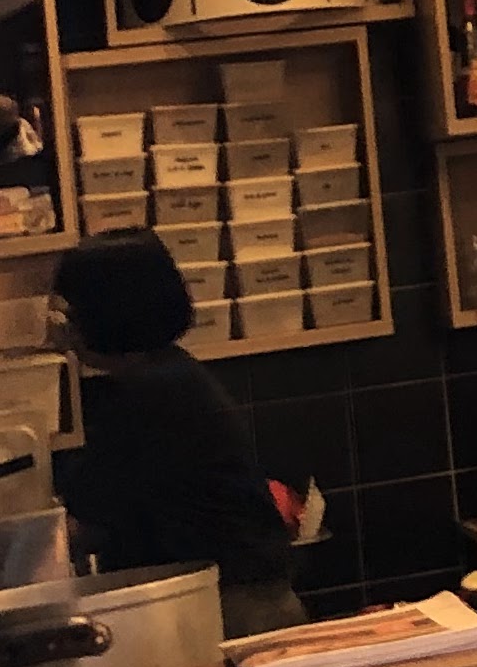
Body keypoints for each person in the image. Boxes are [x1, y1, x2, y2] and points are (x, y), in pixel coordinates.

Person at [50, 233, 307, 635]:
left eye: (70, 312)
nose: (65, 326)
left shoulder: (152, 393)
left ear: (103, 313)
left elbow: (89, 516)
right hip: (240, 596)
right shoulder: (166, 374)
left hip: (236, 606)